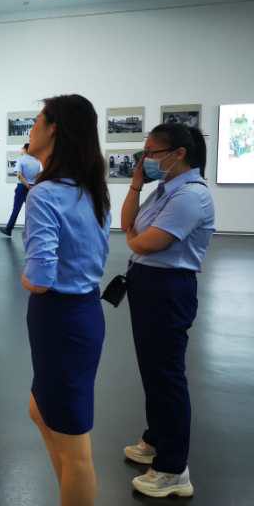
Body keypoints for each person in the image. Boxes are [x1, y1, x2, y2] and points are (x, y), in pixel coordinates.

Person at [22, 94, 111, 506]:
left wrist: (26, 278)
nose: (31, 130)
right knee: (40, 410)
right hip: (82, 314)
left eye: (35, 121)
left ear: (53, 128)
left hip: (59, 318)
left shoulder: (45, 193)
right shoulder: (91, 189)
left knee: (75, 446)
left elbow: (40, 278)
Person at [120, 123, 215, 499]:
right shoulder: (164, 190)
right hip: (148, 284)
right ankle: (156, 439)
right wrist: (135, 186)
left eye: (151, 153)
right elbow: (128, 225)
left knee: (167, 376)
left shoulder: (191, 196)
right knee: (153, 371)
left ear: (179, 154)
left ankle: (174, 469)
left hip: (168, 289)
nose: (145, 159)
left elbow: (147, 243)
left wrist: (134, 240)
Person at [0, 143, 41, 237]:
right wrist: (32, 186)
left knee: (16, 209)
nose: (21, 149)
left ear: (26, 149)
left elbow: (19, 175)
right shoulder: (37, 161)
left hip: (22, 187)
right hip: (33, 187)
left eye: (22, 148)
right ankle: (30, 231)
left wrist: (27, 185)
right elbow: (39, 175)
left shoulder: (21, 159)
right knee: (31, 211)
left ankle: (8, 229)